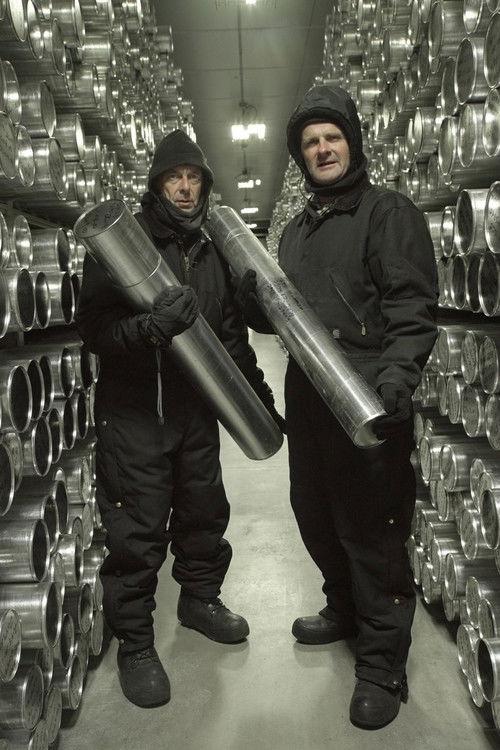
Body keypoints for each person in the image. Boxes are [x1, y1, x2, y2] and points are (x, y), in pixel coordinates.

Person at [234, 84, 438, 729]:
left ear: (352, 143)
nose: (322, 149)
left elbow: (410, 306)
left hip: (368, 396)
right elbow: (285, 319)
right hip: (311, 398)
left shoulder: (387, 213)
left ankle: (381, 664)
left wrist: (396, 381)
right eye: (310, 143)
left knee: (372, 532)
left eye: (332, 138)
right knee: (316, 514)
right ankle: (344, 610)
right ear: (301, 156)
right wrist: (251, 302)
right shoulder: (296, 230)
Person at [75, 129, 284, 709]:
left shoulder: (211, 251)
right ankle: (136, 644)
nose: (186, 188)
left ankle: (199, 601)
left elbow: (231, 340)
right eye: (175, 178)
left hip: (194, 412)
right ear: (157, 185)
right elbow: (95, 332)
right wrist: (149, 330)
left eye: (194, 178)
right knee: (137, 531)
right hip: (136, 412)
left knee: (203, 511)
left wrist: (261, 400)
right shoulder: (124, 243)